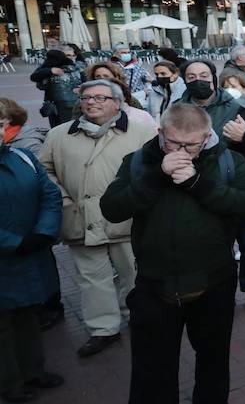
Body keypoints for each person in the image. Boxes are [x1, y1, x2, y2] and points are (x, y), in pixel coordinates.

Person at [100, 104, 245, 404]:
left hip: (214, 279)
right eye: (174, 142)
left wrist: (196, 182)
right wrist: (158, 177)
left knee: (213, 352)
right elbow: (112, 208)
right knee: (151, 367)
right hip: (155, 283)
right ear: (160, 132)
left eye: (192, 144)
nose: (182, 150)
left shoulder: (224, 159)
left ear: (207, 136)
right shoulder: (139, 160)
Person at [40, 80, 158, 358]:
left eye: (101, 98)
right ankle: (103, 329)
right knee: (92, 278)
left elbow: (156, 168)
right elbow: (44, 171)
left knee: (134, 273)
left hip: (128, 220)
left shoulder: (142, 132)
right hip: (80, 219)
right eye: (87, 97)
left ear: (117, 103)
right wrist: (64, 198)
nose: (91, 102)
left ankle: (139, 318)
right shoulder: (59, 135)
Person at [0, 130, 63, 402]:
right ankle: (9, 383)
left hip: (29, 252)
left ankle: (33, 370)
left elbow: (49, 193)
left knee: (28, 314)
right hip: (10, 254)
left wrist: (43, 231)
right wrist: (14, 243)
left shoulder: (21, 155)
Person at [31, 45, 83, 127]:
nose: (71, 58)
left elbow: (88, 80)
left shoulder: (78, 67)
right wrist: (50, 71)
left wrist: (82, 88)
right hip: (57, 107)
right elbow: (35, 77)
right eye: (68, 55)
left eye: (73, 55)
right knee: (60, 131)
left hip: (77, 104)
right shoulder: (50, 66)